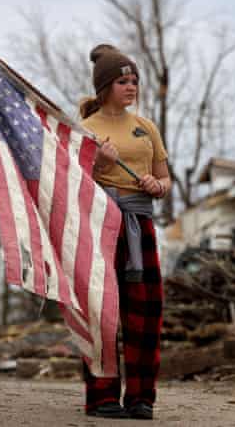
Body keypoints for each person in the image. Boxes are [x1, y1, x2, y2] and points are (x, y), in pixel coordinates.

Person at [79, 44, 171, 420]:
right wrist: (98, 163)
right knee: (102, 312)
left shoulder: (145, 127)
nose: (131, 87)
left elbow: (166, 180)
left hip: (140, 225)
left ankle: (140, 398)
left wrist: (156, 186)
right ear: (105, 86)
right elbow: (74, 182)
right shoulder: (86, 129)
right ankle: (102, 397)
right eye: (122, 81)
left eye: (134, 80)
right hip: (100, 224)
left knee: (145, 311)